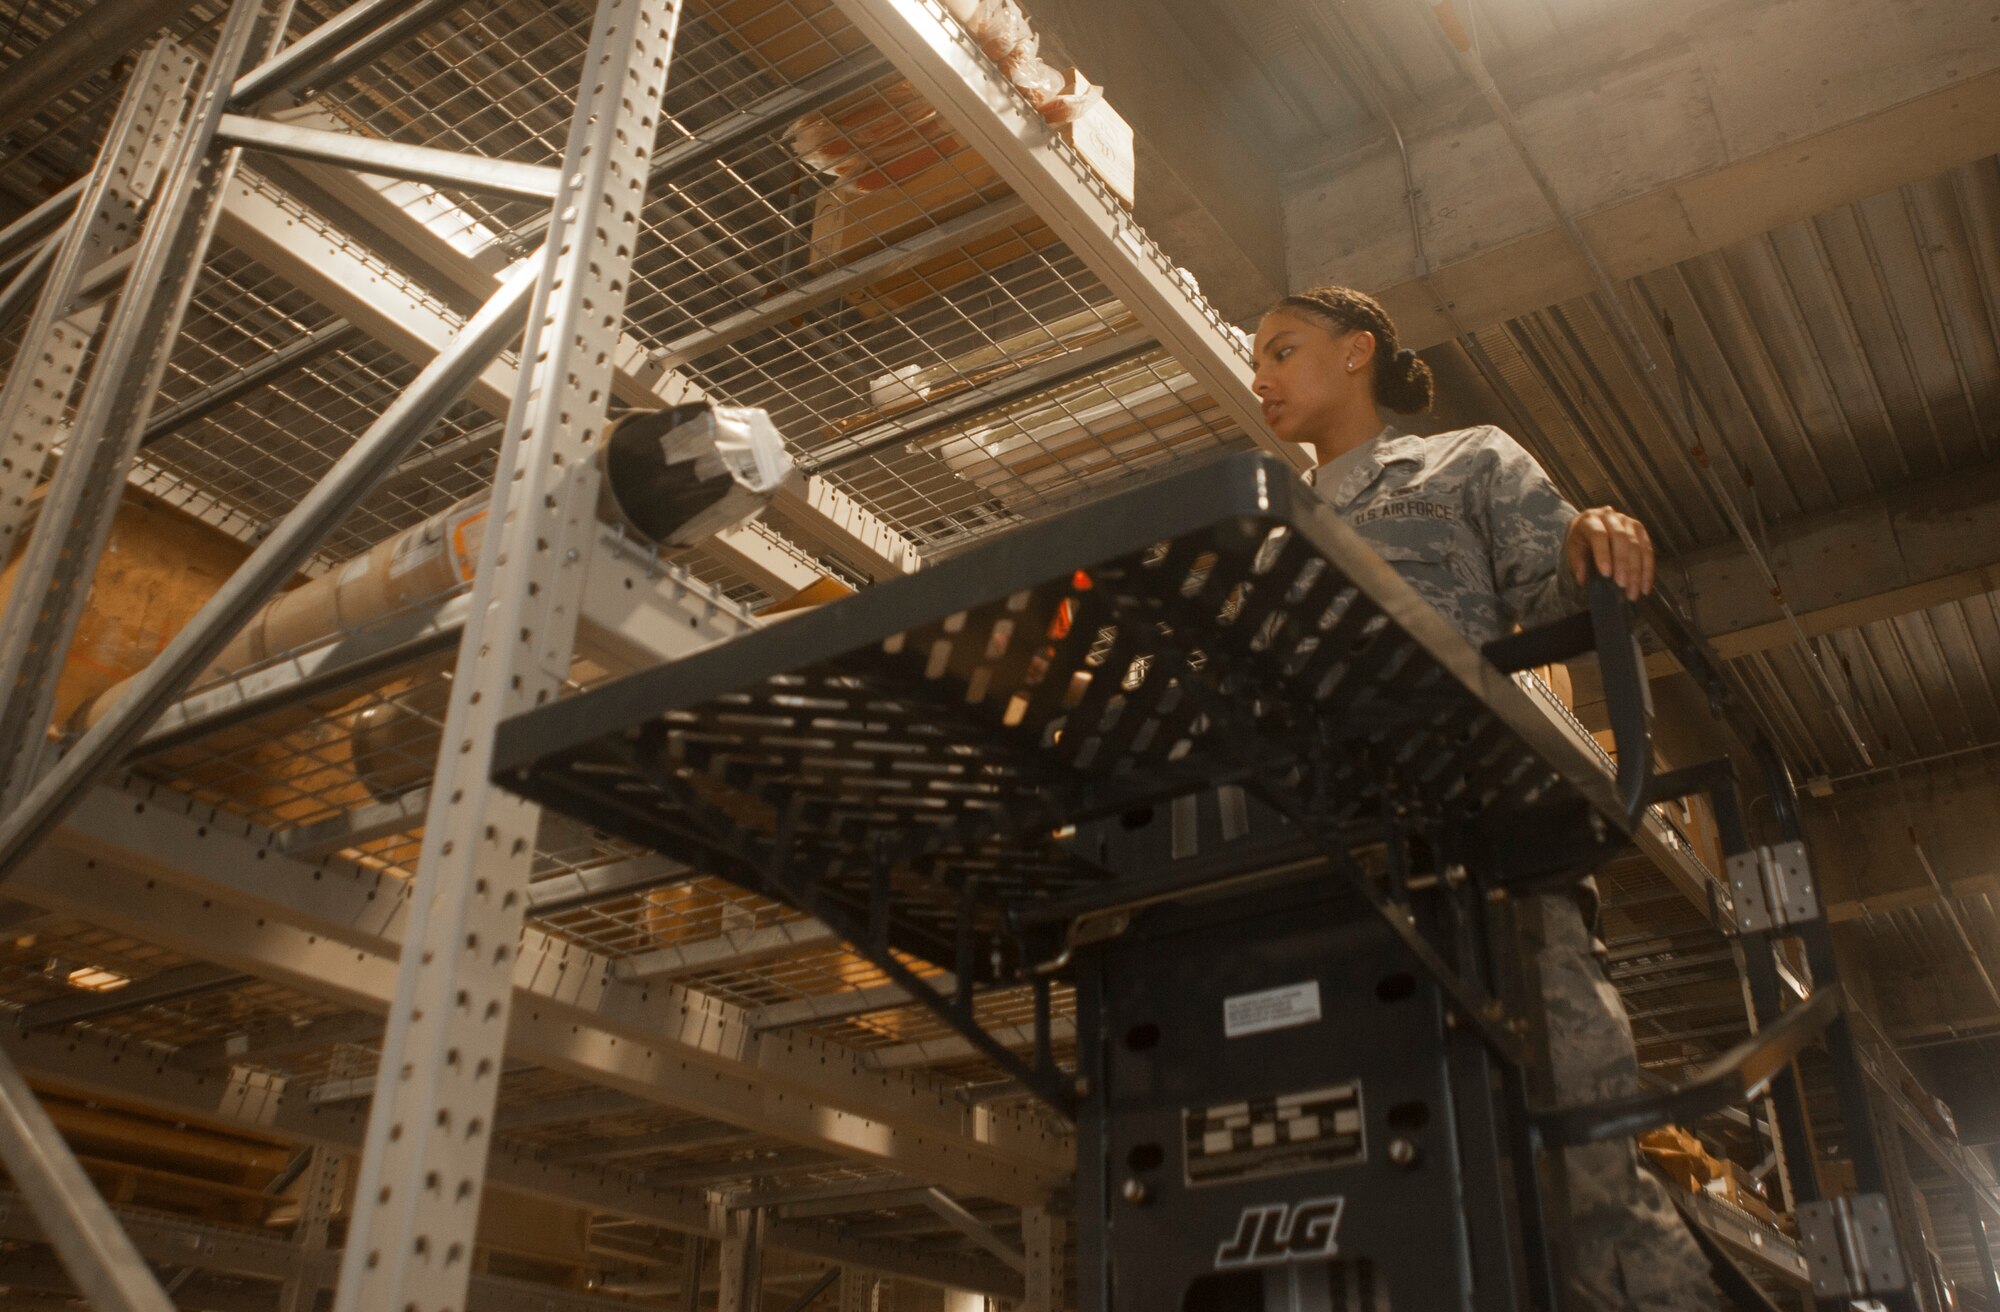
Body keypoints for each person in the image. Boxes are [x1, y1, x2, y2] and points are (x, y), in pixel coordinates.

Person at [1251, 285, 1715, 1311]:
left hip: (1488, 850)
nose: (1260, 375)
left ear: (1357, 350)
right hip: (1329, 870)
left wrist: (1591, 530)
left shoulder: (1467, 461)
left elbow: (1555, 592)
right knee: (1359, 1182)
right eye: (1255, 360)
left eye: (1282, 349)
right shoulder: (1269, 530)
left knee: (1580, 1161)